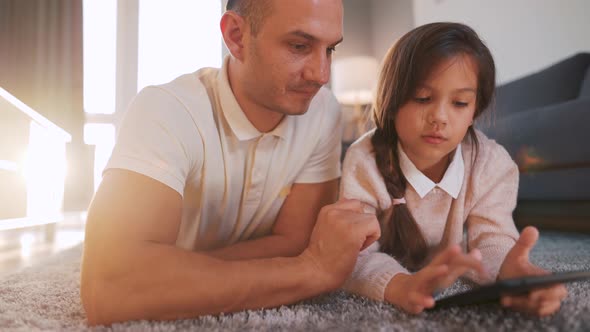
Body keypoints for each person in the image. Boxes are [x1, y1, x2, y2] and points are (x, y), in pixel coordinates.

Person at [80, 0, 389, 325]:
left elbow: (297, 242)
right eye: (299, 46)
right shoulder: (165, 110)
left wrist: (173, 270)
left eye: (330, 50)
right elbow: (110, 286)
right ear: (236, 36)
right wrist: (311, 271)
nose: (321, 75)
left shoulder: (323, 111)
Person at [340, 22, 568, 316]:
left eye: (460, 103)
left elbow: (491, 240)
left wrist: (511, 272)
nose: (439, 117)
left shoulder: (492, 163)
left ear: (475, 110)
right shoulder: (364, 160)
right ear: (391, 99)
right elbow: (352, 257)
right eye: (423, 98)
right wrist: (401, 286)